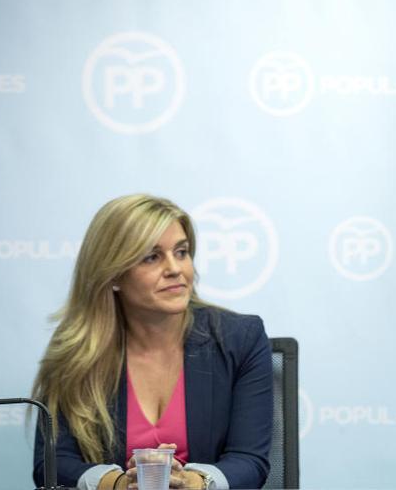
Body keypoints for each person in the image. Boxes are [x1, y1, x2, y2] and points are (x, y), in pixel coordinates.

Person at [32, 194, 273, 489]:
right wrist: (117, 484)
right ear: (113, 275)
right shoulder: (78, 350)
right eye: (152, 256)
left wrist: (194, 483)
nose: (175, 268)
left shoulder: (240, 338)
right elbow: (52, 464)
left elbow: (249, 461)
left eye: (181, 252)